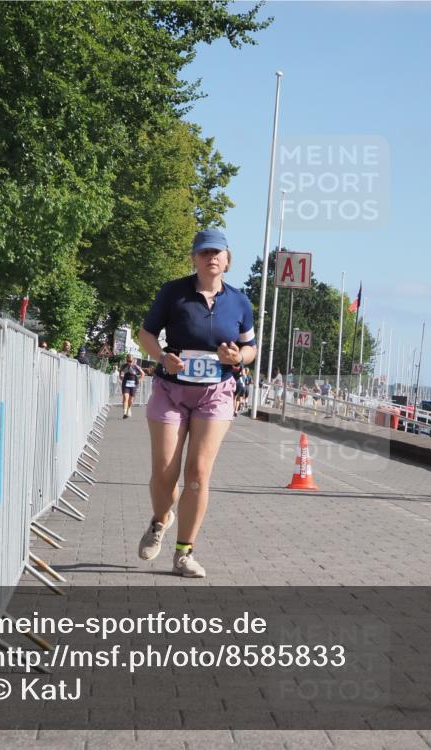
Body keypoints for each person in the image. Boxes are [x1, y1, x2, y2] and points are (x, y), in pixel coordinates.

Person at [137, 228, 256, 578]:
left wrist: (239, 356)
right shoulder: (172, 293)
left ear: (228, 260)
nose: (211, 258)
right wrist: (161, 356)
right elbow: (145, 333)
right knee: (164, 474)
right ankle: (160, 521)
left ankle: (184, 553)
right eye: (204, 253)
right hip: (171, 391)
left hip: (215, 393)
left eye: (218, 252)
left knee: (198, 474)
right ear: (194, 258)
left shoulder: (239, 301)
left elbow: (250, 347)